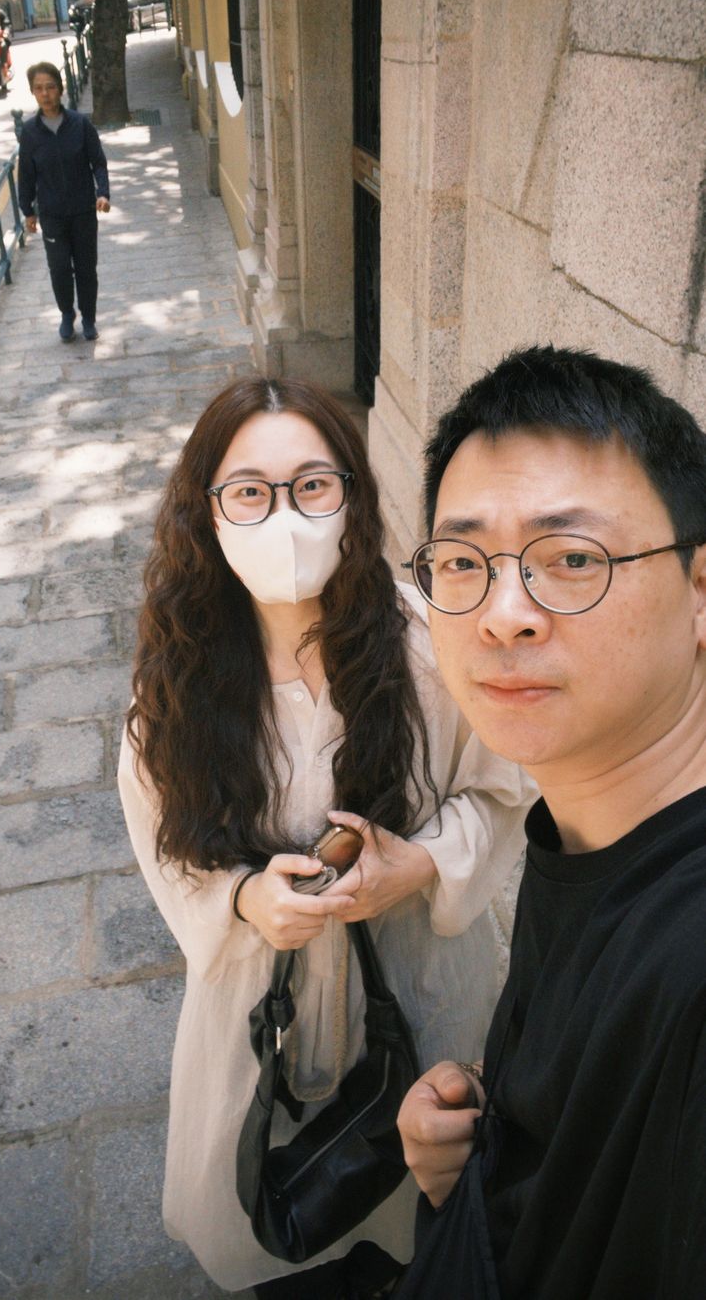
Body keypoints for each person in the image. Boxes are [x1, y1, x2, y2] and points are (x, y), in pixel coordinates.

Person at [118, 376, 536, 1297]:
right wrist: (244, 898)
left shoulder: (431, 642)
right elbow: (164, 840)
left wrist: (420, 863)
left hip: (423, 993)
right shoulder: (183, 674)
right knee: (275, 1237)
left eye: (311, 485)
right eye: (249, 491)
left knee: (427, 1226)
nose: (284, 516)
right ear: (207, 510)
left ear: (351, 493)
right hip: (258, 1015)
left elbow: (506, 786)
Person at [396, 345, 706, 1300]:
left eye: (572, 559)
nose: (504, 614)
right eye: (462, 563)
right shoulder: (586, 824)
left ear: (700, 589)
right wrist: (480, 1154)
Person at [17, 61, 110, 343]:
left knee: (86, 268)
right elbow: (26, 174)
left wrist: (103, 193)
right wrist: (27, 210)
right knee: (59, 269)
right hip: (52, 215)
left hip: (83, 211)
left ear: (60, 89)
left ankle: (89, 318)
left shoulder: (80, 124)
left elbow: (98, 162)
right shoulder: (30, 132)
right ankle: (67, 314)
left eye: (50, 87)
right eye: (39, 89)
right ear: (33, 92)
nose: (45, 94)